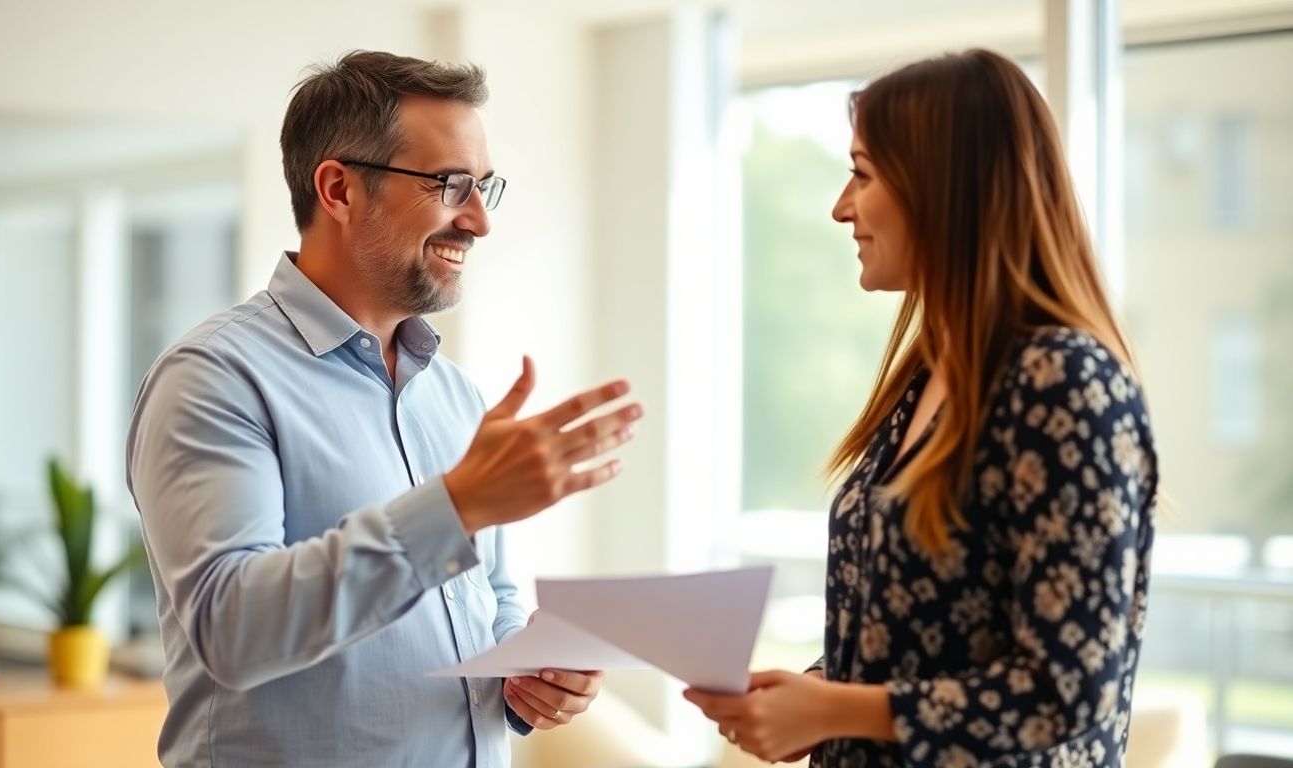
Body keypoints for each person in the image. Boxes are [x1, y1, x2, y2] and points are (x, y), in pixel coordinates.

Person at [126, 51, 642, 768]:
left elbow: (483, 595)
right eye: (451, 185)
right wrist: (456, 507)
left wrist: (526, 673)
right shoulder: (215, 378)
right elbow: (231, 628)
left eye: (485, 186)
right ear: (338, 188)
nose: (479, 221)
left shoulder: (455, 394)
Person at [684, 49, 1158, 767]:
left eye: (863, 173)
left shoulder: (1064, 381)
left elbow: (1069, 688)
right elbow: (919, 637)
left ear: (945, 191)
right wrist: (811, 697)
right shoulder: (929, 382)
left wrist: (835, 708)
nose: (841, 206)